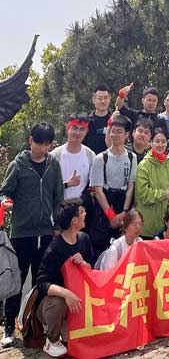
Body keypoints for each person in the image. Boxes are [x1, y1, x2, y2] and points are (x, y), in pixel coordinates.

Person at [1, 122, 63, 348]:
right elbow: (4, 191)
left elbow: (58, 196)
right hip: (21, 233)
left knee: (41, 282)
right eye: (39, 143)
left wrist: (57, 225)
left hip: (45, 232)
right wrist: (6, 201)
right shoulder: (18, 165)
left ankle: (35, 327)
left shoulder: (53, 164)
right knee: (16, 281)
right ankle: (9, 327)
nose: (43, 149)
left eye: (47, 144)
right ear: (30, 141)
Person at [34, 199, 93, 358]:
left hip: (78, 299)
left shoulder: (84, 239)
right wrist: (66, 293)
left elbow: (92, 270)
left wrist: (84, 264)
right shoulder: (54, 248)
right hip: (52, 303)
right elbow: (41, 283)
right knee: (58, 302)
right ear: (74, 220)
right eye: (82, 212)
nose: (85, 214)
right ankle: (51, 340)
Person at [89, 114, 136, 259]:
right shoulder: (101, 158)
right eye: (112, 131)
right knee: (100, 249)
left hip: (122, 203)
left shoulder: (131, 157)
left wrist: (124, 212)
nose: (114, 135)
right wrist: (111, 216)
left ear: (126, 134)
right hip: (105, 204)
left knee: (122, 251)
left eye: (119, 132)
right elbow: (98, 190)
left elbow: (130, 186)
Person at [136, 128, 169, 239]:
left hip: (163, 226)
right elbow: (143, 193)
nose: (160, 145)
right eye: (157, 141)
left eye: (163, 141)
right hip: (146, 225)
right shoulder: (144, 165)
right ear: (151, 142)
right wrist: (163, 194)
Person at [50, 113, 95, 201]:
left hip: (81, 206)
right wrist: (67, 184)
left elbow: (93, 186)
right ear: (68, 128)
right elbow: (47, 186)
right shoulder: (55, 155)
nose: (78, 133)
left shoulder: (90, 155)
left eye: (82, 129)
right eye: (74, 128)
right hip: (58, 205)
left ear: (86, 132)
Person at [82, 85, 112, 154]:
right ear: (93, 100)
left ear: (109, 99)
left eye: (105, 98)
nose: (103, 101)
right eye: (99, 98)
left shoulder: (114, 121)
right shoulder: (86, 122)